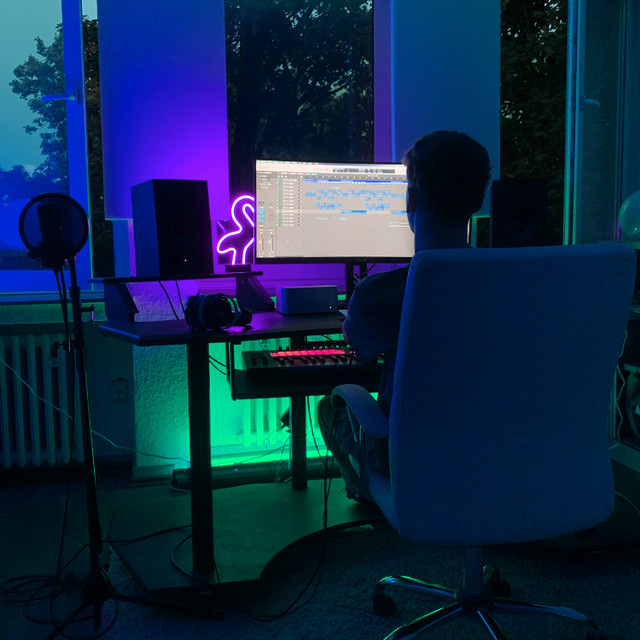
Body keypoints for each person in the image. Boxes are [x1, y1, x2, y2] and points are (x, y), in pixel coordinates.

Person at [317, 129, 491, 505]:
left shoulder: (377, 295)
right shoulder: (504, 283)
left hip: (409, 461)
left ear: (410, 197)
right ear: (477, 201)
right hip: (489, 452)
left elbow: (360, 349)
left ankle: (377, 494)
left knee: (330, 409)